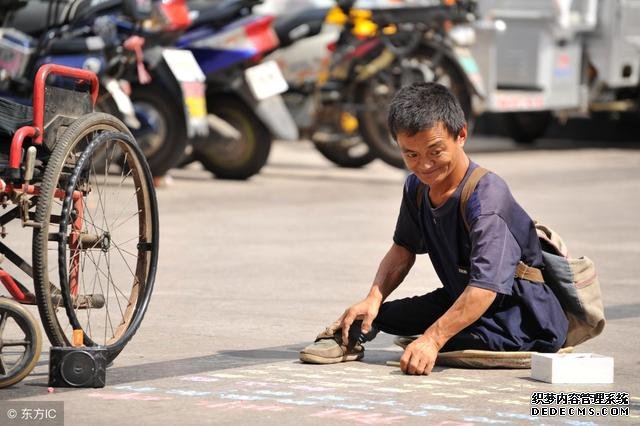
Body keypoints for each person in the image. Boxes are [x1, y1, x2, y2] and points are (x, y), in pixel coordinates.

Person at [299, 82, 568, 375]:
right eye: (410, 155)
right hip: (459, 295)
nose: (424, 165)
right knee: (375, 316)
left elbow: (485, 288)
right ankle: (349, 337)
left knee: (440, 341)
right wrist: (374, 297)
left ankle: (441, 337)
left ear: (461, 134)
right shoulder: (417, 187)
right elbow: (403, 249)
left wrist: (433, 338)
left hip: (517, 316)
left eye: (435, 151)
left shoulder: (488, 198)